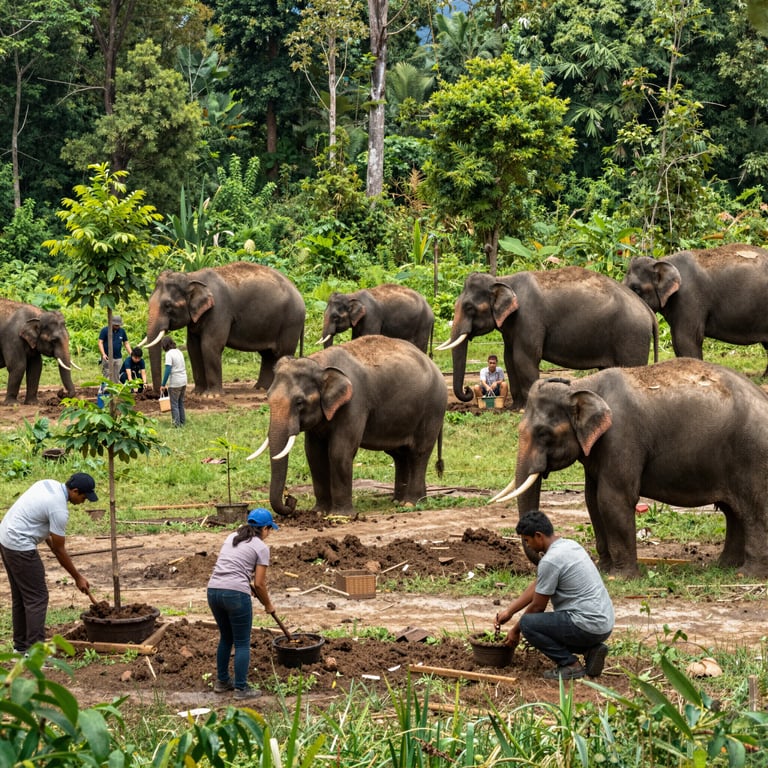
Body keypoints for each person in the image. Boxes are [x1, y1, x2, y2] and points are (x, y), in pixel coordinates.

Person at [494, 510, 614, 680]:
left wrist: (515, 630)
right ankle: (590, 650)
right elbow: (539, 584)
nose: (527, 545)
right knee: (544, 623)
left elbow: (537, 607)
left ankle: (570, 665)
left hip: (586, 625)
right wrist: (509, 612)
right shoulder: (569, 545)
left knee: (529, 624)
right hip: (604, 624)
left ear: (538, 536)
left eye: (527, 541)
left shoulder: (550, 560)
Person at [0, 473, 98, 654]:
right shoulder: (59, 509)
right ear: (75, 491)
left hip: (5, 538)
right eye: (84, 497)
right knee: (37, 598)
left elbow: (48, 537)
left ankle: (20, 648)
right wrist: (77, 577)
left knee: (22, 597)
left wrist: (75, 575)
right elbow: (60, 550)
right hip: (20, 545)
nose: (84, 501)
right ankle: (35, 654)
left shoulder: (47, 484)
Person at [207, 507, 278, 700]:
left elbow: (232, 567)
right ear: (264, 528)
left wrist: (249, 586)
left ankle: (222, 682)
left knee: (226, 637)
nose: (269, 534)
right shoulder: (261, 547)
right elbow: (260, 583)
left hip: (213, 591)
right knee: (242, 642)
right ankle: (241, 688)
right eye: (269, 529)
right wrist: (268, 605)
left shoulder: (231, 537)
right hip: (235, 595)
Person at [160, 336, 188, 427]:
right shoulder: (179, 351)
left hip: (175, 382)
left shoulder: (169, 354)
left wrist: (163, 384)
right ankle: (182, 423)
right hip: (183, 380)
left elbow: (168, 369)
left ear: (164, 345)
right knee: (180, 402)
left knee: (174, 404)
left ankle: (176, 425)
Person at [98, 315, 131, 383]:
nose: (117, 327)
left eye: (118, 325)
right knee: (106, 373)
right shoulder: (105, 330)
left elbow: (126, 343)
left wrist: (131, 353)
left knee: (117, 374)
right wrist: (103, 354)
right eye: (116, 325)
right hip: (107, 357)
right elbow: (100, 343)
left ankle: (115, 390)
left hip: (118, 357)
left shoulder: (122, 331)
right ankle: (105, 390)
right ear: (112, 323)